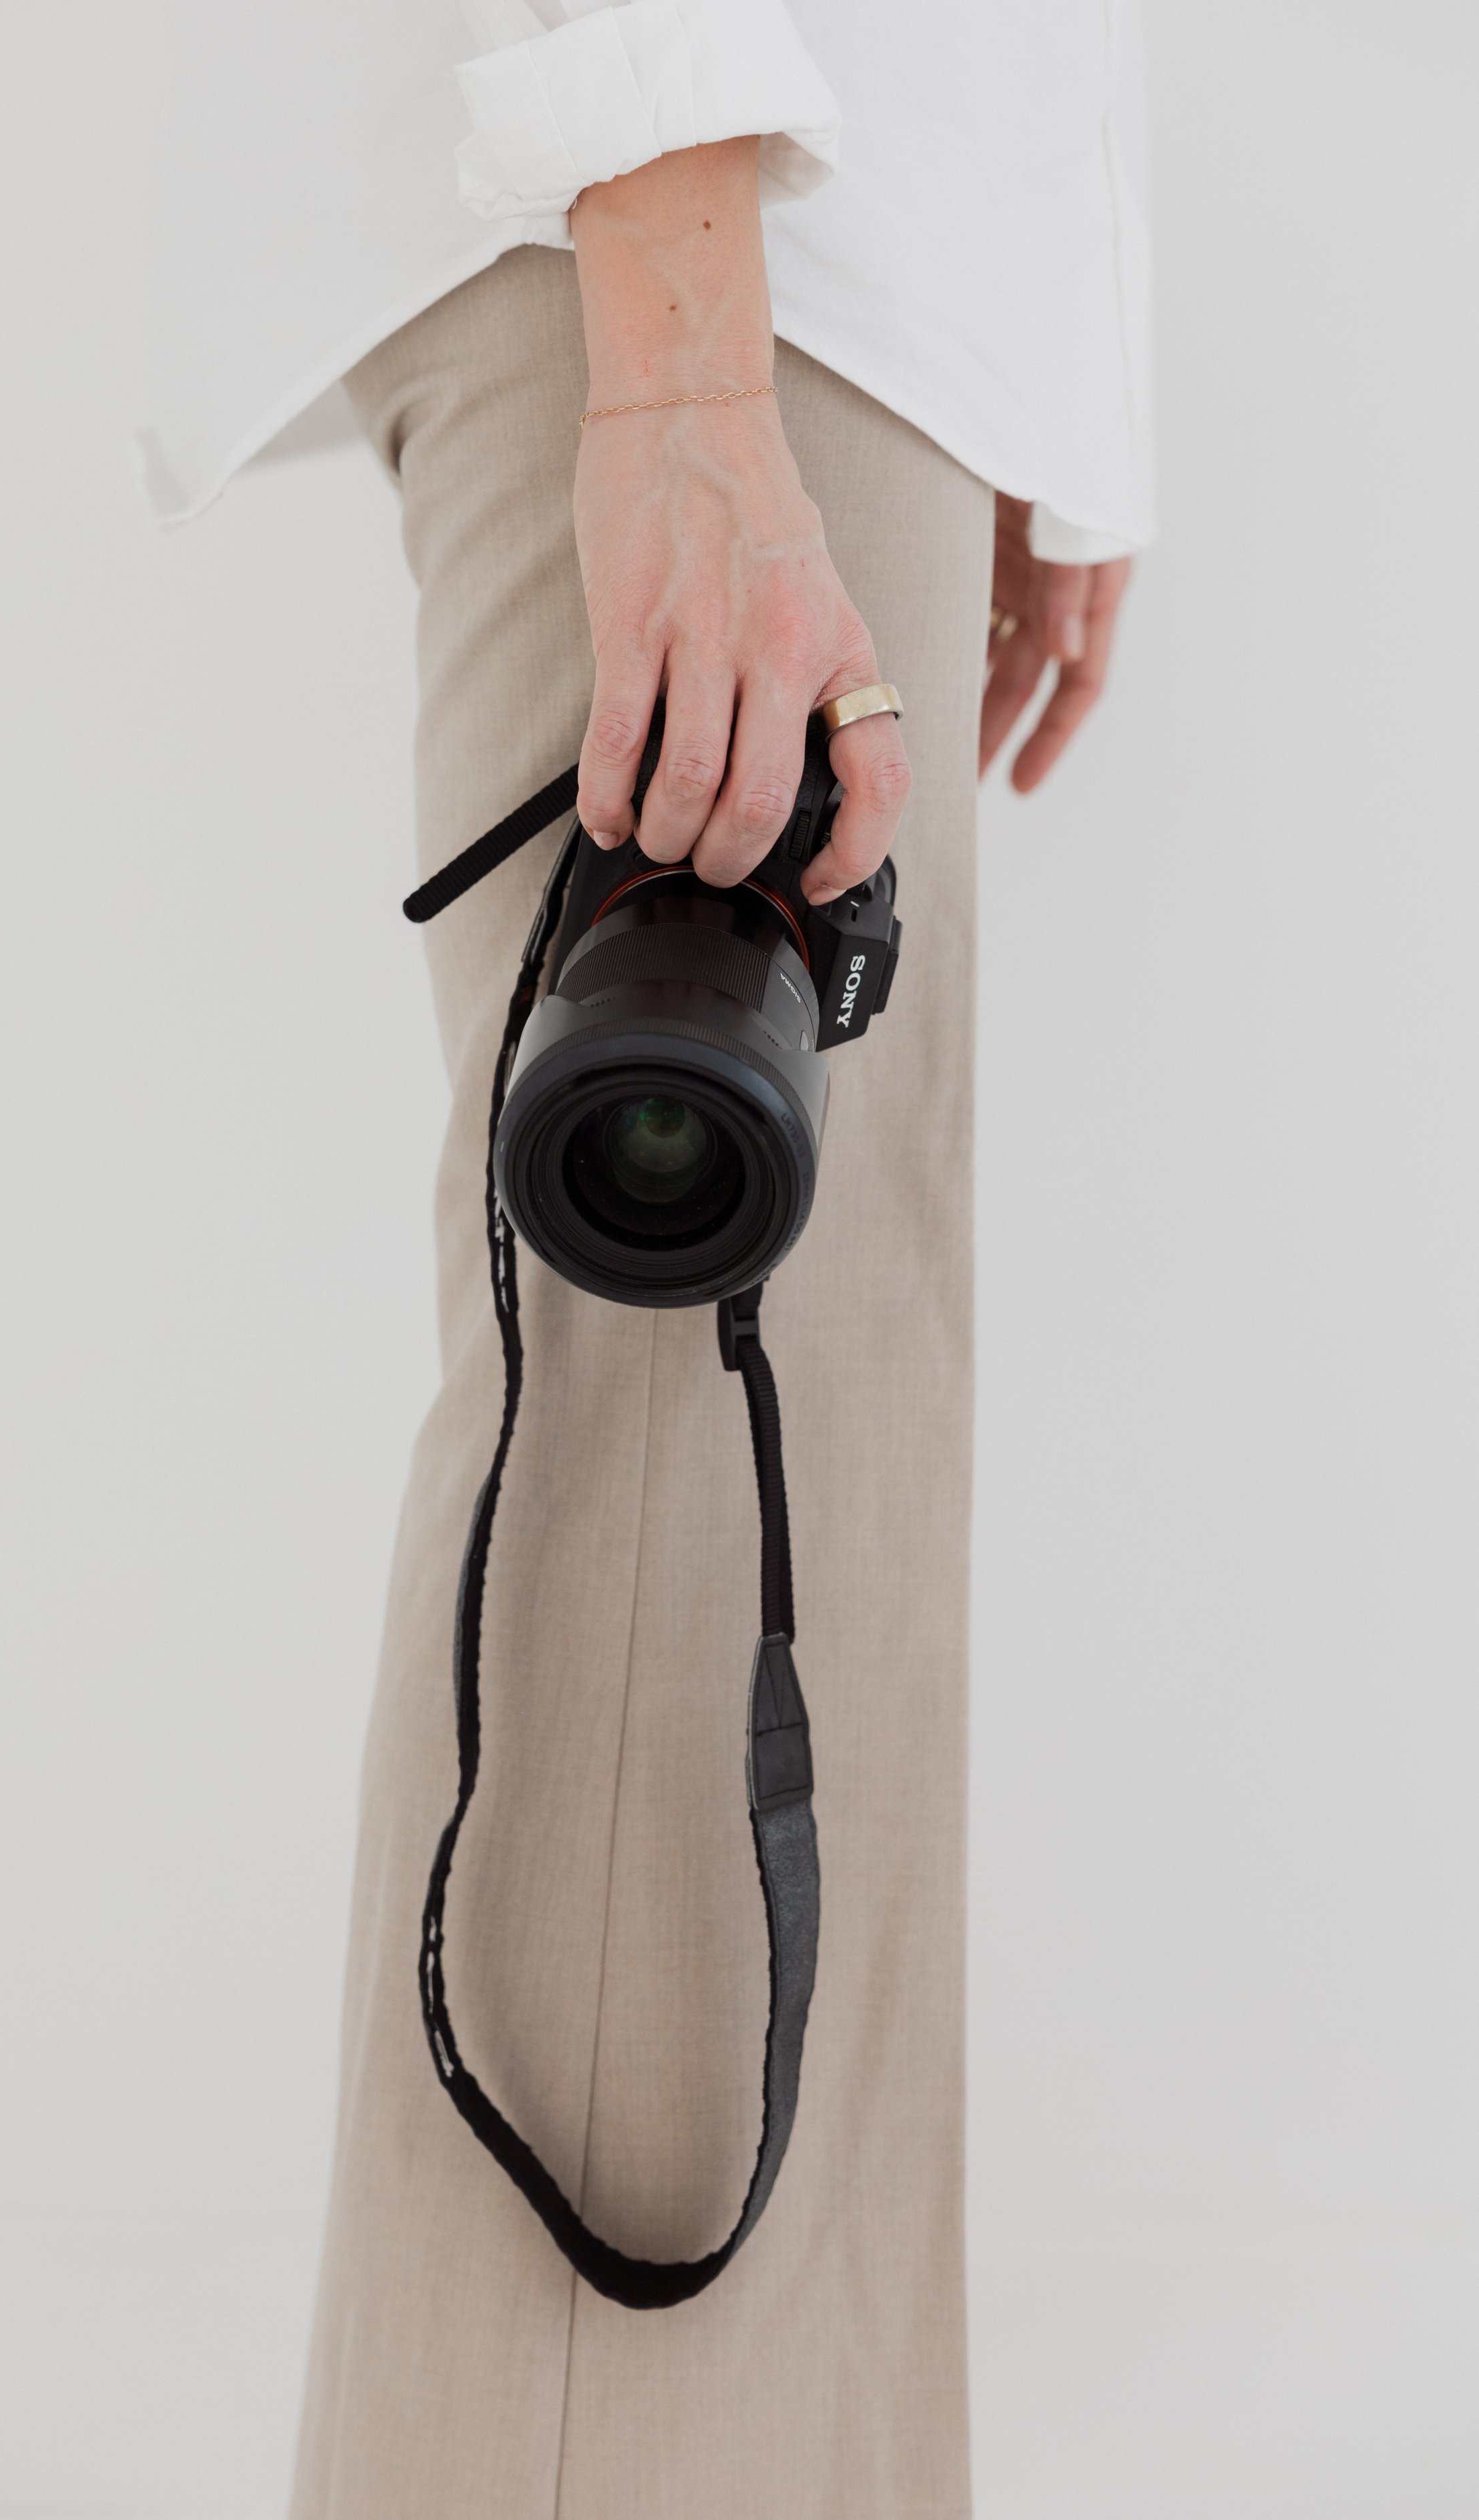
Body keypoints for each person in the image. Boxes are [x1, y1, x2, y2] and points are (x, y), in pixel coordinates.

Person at [142, 4, 1152, 2511]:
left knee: (797, 1515)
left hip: (797, 247)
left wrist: (1041, 338)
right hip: (696, 230)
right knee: (671, 1555)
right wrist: (690, 335)